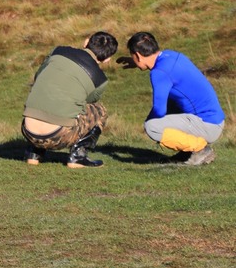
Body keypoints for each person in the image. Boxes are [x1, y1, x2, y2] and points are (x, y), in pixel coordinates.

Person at [21, 31, 118, 168]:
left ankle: (34, 153)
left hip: (28, 131)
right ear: (107, 59)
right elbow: (88, 101)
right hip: (59, 137)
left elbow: (39, 75)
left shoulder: (58, 51)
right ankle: (78, 156)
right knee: (99, 110)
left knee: (43, 94)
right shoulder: (100, 79)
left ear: (86, 42)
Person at [126, 32, 224, 166]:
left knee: (152, 127)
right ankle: (186, 152)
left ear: (137, 55)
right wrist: (137, 62)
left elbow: (159, 110)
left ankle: (200, 149)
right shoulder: (171, 55)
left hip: (207, 126)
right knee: (171, 102)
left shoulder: (159, 73)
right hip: (215, 120)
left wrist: (150, 120)